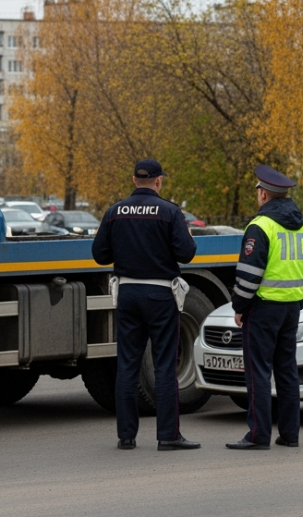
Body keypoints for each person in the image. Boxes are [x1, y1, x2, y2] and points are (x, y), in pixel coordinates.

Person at [91, 159, 199, 451]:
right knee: (164, 366)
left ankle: (126, 436)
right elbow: (187, 253)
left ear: (134, 179)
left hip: (127, 293)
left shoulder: (115, 212)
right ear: (159, 181)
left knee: (127, 364)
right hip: (161, 295)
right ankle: (168, 435)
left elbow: (99, 254)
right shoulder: (170, 211)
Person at [226, 166, 303, 450]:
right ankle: (290, 435)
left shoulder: (260, 226)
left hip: (263, 309)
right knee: (287, 371)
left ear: (263, 194)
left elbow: (248, 275)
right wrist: (300, 301)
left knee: (258, 372)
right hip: (291, 309)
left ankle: (258, 435)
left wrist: (239, 307)